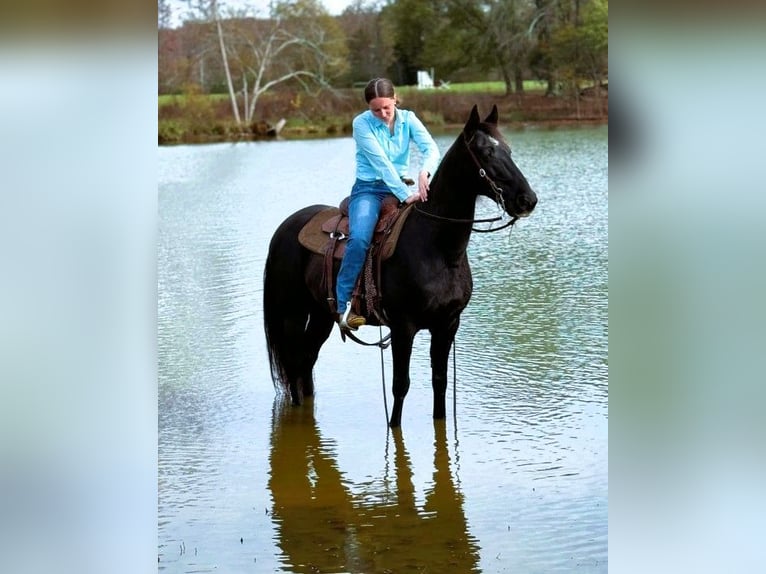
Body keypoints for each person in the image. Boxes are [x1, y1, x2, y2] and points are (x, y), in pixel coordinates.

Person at [336, 78, 440, 331]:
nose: (382, 114)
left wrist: (425, 173)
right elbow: (381, 164)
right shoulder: (361, 124)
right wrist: (405, 195)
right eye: (376, 109)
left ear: (395, 99)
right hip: (370, 189)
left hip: (403, 185)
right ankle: (342, 306)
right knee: (360, 238)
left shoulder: (409, 119)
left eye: (386, 108)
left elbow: (432, 149)